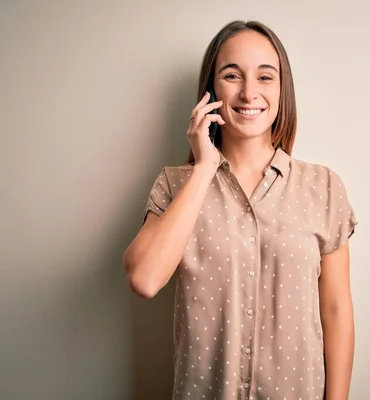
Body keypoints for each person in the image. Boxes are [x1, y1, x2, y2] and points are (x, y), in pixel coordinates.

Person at [123, 20, 358, 400]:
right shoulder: (174, 184)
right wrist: (203, 168)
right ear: (210, 90)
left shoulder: (324, 188)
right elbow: (144, 279)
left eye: (266, 77)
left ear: (283, 91)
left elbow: (336, 312)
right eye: (232, 75)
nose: (250, 93)